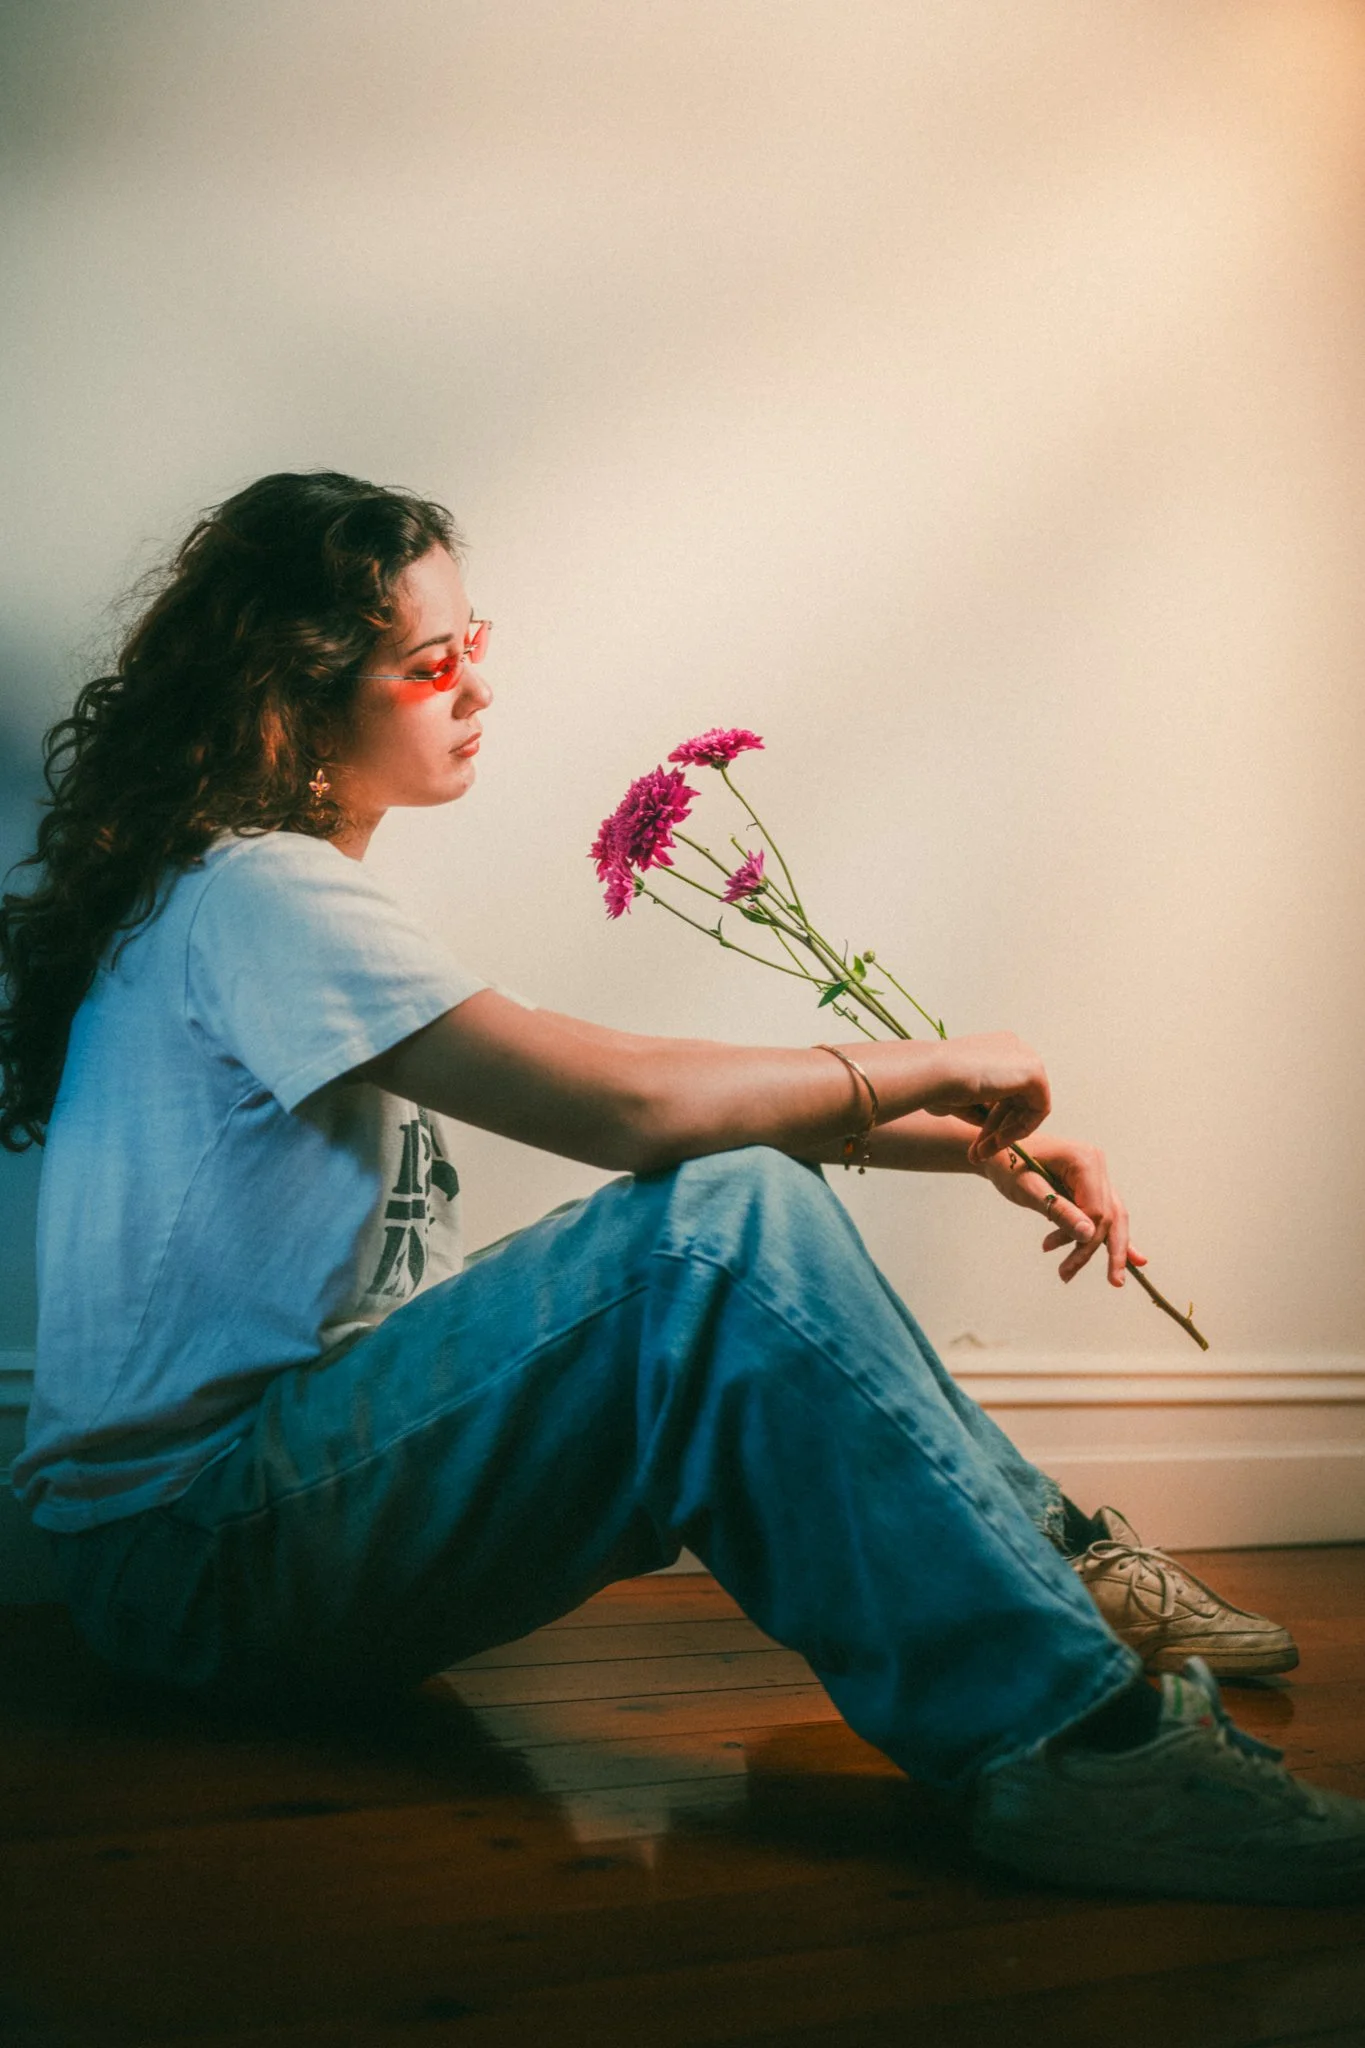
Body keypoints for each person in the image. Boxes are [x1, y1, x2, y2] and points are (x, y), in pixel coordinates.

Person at [1, 469, 1359, 1907]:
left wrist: (961, 1141)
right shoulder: (258, 893)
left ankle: (1045, 1572)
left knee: (717, 1221)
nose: (477, 688)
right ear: (299, 689)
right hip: (197, 1558)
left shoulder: (235, 899)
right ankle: (1080, 1747)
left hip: (236, 1539)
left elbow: (646, 1101)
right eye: (428, 663)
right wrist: (941, 1062)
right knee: (714, 1228)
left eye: (478, 645)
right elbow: (630, 1103)